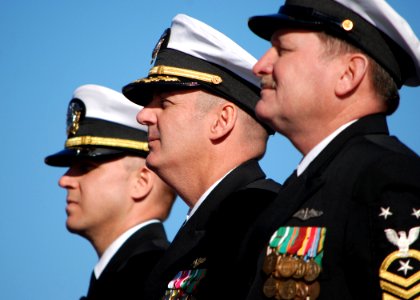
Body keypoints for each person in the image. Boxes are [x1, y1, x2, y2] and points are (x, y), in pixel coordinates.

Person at [244, 0, 420, 299]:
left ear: (348, 74)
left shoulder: (388, 178)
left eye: (283, 50)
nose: (259, 65)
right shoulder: (308, 182)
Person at [122, 14, 281, 300]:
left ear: (221, 120)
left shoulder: (262, 217)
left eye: (164, 103)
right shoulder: (212, 224)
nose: (143, 115)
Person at [44, 84, 177, 300]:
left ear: (141, 181)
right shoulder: (126, 279)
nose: (64, 180)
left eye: (86, 167)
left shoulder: (156, 280)